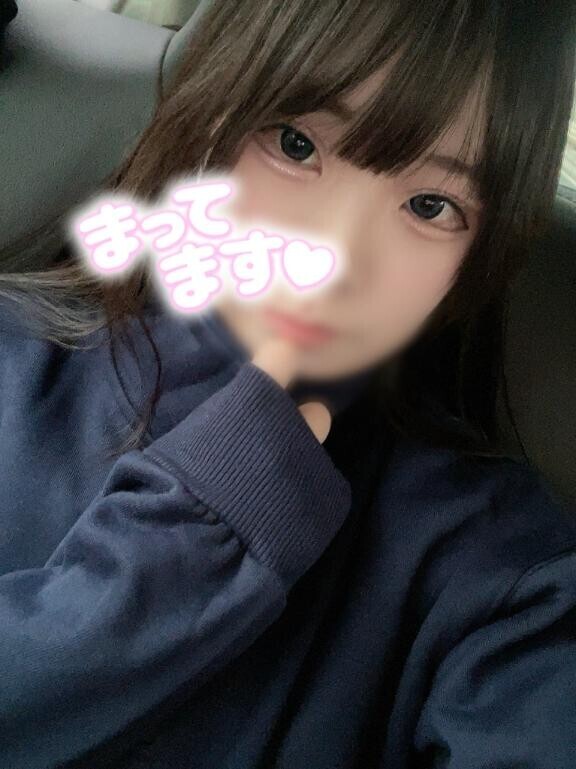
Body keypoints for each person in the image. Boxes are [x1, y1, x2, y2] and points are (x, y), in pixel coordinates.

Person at [0, 1, 575, 767]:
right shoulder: (15, 353)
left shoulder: (505, 567)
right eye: (296, 145)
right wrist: (214, 518)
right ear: (214, 115)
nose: (332, 256)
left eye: (430, 206)